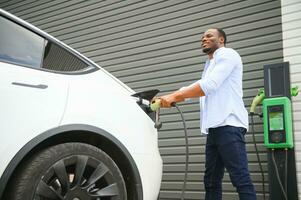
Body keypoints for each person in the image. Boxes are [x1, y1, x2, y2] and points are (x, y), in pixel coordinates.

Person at [157, 28, 257, 200]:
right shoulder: (211, 64)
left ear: (222, 40)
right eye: (202, 37)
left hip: (229, 125)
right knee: (210, 181)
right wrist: (168, 97)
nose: (204, 38)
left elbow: (209, 85)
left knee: (240, 178)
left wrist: (175, 96)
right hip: (215, 129)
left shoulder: (228, 54)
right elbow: (201, 85)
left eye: (209, 36)